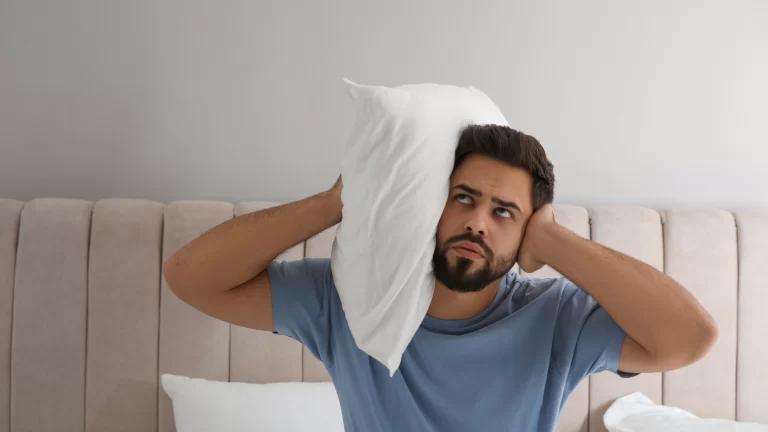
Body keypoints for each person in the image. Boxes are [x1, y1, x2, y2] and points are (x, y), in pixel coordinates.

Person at [162, 125, 718, 431]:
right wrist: (335, 203)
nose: (477, 221)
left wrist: (554, 242)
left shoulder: (557, 318)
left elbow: (691, 338)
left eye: (504, 212)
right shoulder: (348, 297)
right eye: (463, 198)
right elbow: (191, 278)